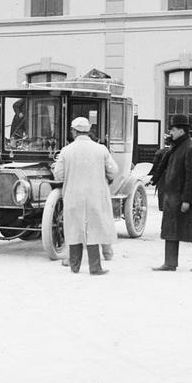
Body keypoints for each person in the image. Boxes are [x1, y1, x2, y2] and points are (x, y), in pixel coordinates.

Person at [52, 117, 117, 275]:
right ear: (89, 131)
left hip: (74, 195)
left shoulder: (66, 151)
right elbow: (113, 170)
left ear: (74, 132)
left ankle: (75, 266)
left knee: (74, 229)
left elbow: (58, 175)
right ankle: (95, 267)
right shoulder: (100, 149)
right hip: (96, 195)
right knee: (94, 229)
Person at [152, 114, 192, 272]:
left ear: (181, 130)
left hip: (187, 198)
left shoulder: (191, 149)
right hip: (174, 197)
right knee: (171, 229)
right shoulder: (179, 146)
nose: (170, 132)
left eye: (172, 129)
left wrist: (187, 200)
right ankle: (170, 263)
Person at [148, 134, 173, 211]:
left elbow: (155, 164)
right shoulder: (174, 152)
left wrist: (154, 175)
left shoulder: (159, 152)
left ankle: (161, 206)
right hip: (171, 172)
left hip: (161, 173)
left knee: (161, 190)